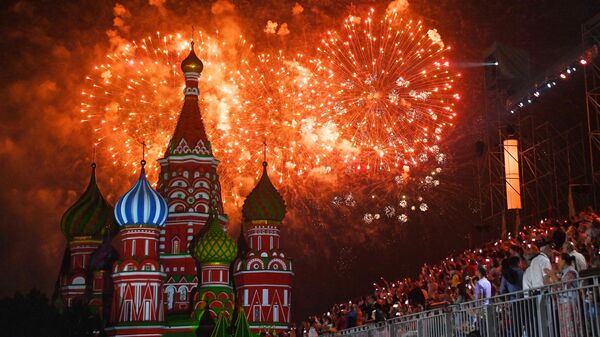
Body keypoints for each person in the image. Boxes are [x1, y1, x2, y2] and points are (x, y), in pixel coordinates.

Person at [545, 253, 580, 337]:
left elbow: (562, 286)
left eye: (559, 260)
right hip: (563, 303)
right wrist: (548, 275)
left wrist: (552, 275)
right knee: (564, 328)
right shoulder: (563, 273)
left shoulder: (571, 272)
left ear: (564, 261)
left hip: (570, 302)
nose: (558, 263)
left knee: (570, 327)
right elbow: (549, 284)